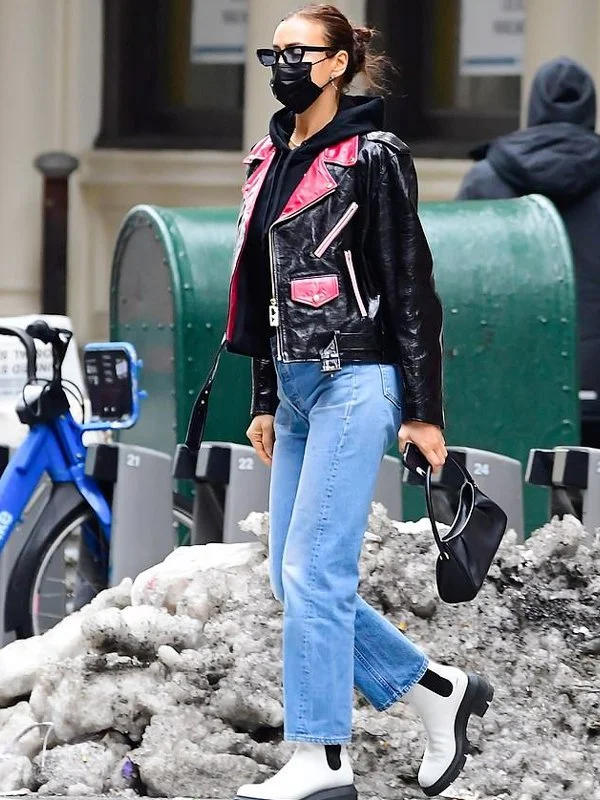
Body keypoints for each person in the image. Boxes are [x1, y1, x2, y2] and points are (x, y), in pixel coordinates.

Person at [224, 5, 494, 799]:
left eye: (297, 52)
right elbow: (263, 288)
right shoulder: (268, 155)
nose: (281, 63)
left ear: (338, 64)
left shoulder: (372, 155)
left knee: (315, 569)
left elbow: (411, 282)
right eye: (271, 51)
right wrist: (267, 395)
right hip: (298, 386)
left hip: (357, 377)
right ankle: (438, 692)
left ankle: (323, 758)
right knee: (287, 572)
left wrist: (424, 410)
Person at [457, 56, 600, 447]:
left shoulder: (486, 178)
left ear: (533, 107)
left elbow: (459, 283)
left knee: (519, 498)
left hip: (512, 372)